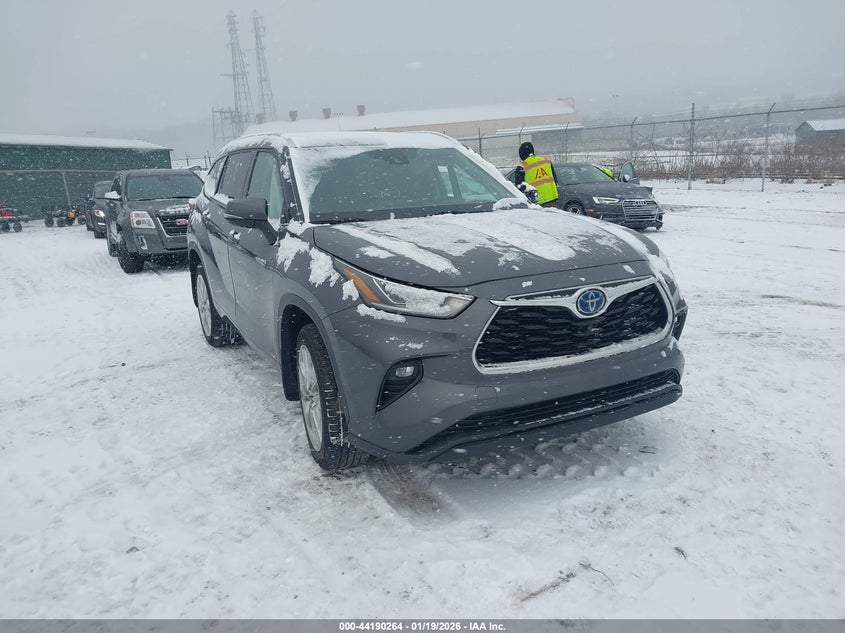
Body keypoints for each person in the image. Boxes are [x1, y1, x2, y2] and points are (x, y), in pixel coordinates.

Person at [514, 141, 559, 207]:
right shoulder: (546, 161)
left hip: (535, 203)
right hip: (552, 200)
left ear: (521, 154)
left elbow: (519, 188)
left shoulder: (522, 167)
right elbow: (555, 180)